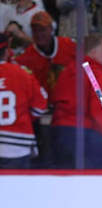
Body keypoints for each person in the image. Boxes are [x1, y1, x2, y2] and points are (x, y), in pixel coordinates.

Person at [50, 32, 102, 169]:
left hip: (60, 134)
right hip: (86, 138)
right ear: (93, 52)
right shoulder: (94, 74)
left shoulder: (68, 71)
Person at [0, 32, 48, 169]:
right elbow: (39, 107)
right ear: (6, 51)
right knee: (15, 190)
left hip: (16, 145)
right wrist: (23, 115)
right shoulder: (21, 73)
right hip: (17, 146)